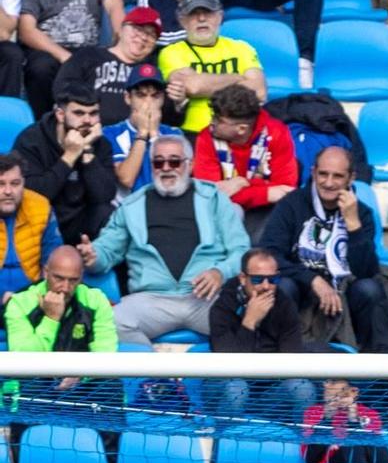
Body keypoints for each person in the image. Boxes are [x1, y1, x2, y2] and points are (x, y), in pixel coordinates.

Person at [81, 136, 248, 345]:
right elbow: (108, 249)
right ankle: (151, 376)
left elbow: (242, 251)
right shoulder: (132, 205)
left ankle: (230, 378)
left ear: (190, 164)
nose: (166, 168)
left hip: (206, 299)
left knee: (248, 319)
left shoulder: (214, 198)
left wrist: (219, 273)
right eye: (159, 162)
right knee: (111, 322)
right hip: (152, 298)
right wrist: (93, 255)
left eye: (175, 161)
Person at [258, 144, 387, 350]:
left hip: (344, 291)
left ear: (351, 178)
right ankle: (283, 355)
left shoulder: (361, 213)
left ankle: (365, 363)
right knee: (283, 286)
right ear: (313, 172)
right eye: (323, 174)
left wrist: (353, 225)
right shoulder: (291, 204)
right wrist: (313, 280)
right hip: (301, 289)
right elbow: (270, 255)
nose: (328, 183)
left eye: (337, 176)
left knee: (370, 290)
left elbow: (365, 271)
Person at [208, 246, 314, 421]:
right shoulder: (222, 307)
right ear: (243, 278)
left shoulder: (285, 305)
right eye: (258, 279)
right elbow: (227, 364)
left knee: (302, 389)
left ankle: (300, 445)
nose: (266, 286)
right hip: (227, 387)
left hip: (268, 391)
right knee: (237, 388)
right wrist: (249, 322)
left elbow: (292, 360)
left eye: (273, 279)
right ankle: (223, 441)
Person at [12, 83, 117, 245]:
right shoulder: (31, 140)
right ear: (60, 114)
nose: (88, 121)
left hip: (80, 222)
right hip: (43, 219)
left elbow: (104, 196)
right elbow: (33, 195)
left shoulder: (100, 144)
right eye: (79, 113)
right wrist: (70, 155)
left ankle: (93, 261)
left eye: (93, 113)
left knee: (107, 212)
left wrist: (87, 150)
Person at [191, 82, 296, 240]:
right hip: (224, 209)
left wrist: (241, 182)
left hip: (266, 210)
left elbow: (286, 190)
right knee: (232, 210)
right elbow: (209, 193)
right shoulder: (206, 137)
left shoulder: (277, 133)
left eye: (219, 120)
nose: (212, 122)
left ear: (241, 129)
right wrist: (266, 191)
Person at [157, 0, 265, 134]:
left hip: (238, 134)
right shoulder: (171, 52)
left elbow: (259, 91)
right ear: (182, 20)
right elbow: (193, 86)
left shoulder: (242, 48)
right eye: (194, 13)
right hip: (193, 134)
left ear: (220, 17)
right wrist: (237, 77)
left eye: (208, 12)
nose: (201, 18)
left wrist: (205, 84)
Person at [16, 0, 124, 115]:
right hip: (47, 48)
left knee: (104, 66)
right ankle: (45, 125)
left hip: (87, 48)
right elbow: (26, 31)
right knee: (41, 69)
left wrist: (122, 36)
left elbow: (114, 4)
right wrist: (66, 57)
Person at [51, 3, 158, 126]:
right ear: (122, 29)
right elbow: (62, 88)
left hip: (132, 135)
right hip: (86, 130)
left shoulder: (150, 71)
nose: (144, 37)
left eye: (151, 35)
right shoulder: (88, 55)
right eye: (138, 29)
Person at [4, 242, 114, 355]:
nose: (65, 288)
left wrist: (79, 372)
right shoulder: (20, 304)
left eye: (73, 280)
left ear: (81, 277)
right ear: (46, 273)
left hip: (81, 372)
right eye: (59, 278)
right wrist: (51, 319)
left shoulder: (96, 301)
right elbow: (23, 360)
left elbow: (105, 355)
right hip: (39, 373)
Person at [103, 61, 181, 193]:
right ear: (128, 98)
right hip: (127, 208)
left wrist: (155, 135)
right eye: (141, 95)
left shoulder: (175, 134)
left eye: (155, 96)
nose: (148, 102)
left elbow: (173, 181)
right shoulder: (110, 133)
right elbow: (127, 179)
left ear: (163, 99)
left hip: (165, 206)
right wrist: (143, 133)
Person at [0, 153, 59, 305]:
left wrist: (31, 299)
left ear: (23, 183)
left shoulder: (41, 208)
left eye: (15, 183)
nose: (8, 191)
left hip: (32, 300)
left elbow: (53, 261)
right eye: (1, 184)